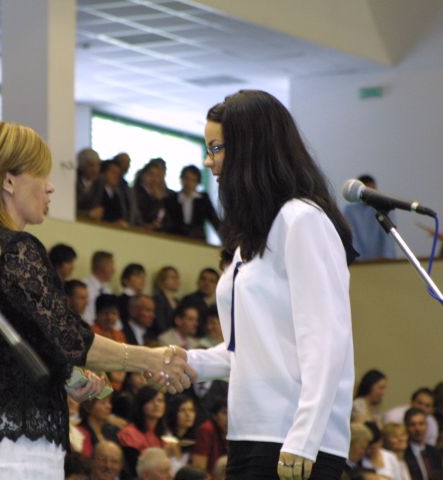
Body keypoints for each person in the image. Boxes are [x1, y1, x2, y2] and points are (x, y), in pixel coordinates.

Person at [0, 119, 193, 478]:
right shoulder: (14, 249)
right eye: (40, 174)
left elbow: (11, 350)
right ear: (8, 181)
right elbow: (72, 340)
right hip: (20, 456)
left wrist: (65, 376)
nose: (50, 186)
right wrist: (151, 358)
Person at [186, 90, 357, 480]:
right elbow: (248, 349)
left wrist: (305, 436)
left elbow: (325, 339)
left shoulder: (303, 220)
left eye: (216, 148)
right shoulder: (250, 237)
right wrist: (185, 362)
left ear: (251, 148)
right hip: (248, 433)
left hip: (295, 439)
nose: (209, 162)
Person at [343, 174, 396, 261]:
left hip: (384, 261)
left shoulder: (385, 208)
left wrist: (387, 256)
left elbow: (389, 236)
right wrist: (355, 258)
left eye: (373, 190)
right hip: (359, 262)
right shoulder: (349, 210)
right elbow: (351, 236)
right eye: (368, 191)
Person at [118, 386, 167, 474]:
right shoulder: (129, 433)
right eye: (150, 400)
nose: (156, 404)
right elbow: (133, 469)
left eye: (160, 401)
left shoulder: (163, 436)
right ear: (141, 404)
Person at [164, 164, 220, 241]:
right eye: (186, 179)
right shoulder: (172, 198)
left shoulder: (203, 200)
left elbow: (215, 221)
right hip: (176, 239)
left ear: (197, 182)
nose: (189, 183)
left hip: (197, 240)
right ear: (181, 179)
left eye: (193, 180)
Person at [403, 408, 443, 480]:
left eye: (421, 424)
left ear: (426, 426)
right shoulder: (404, 453)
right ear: (406, 427)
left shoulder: (434, 452)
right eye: (413, 425)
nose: (418, 429)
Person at [83, 250, 115, 325]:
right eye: (111, 266)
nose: (114, 270)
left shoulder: (108, 291)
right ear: (102, 267)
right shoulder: (84, 287)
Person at [76, 147, 105, 220]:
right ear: (82, 166)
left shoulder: (100, 182)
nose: (95, 170)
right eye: (91, 165)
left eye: (98, 165)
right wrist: (88, 214)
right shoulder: (74, 180)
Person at [152, 266, 180, 334]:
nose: (176, 280)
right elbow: (160, 324)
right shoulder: (157, 299)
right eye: (172, 277)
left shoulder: (178, 301)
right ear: (163, 280)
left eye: (177, 277)